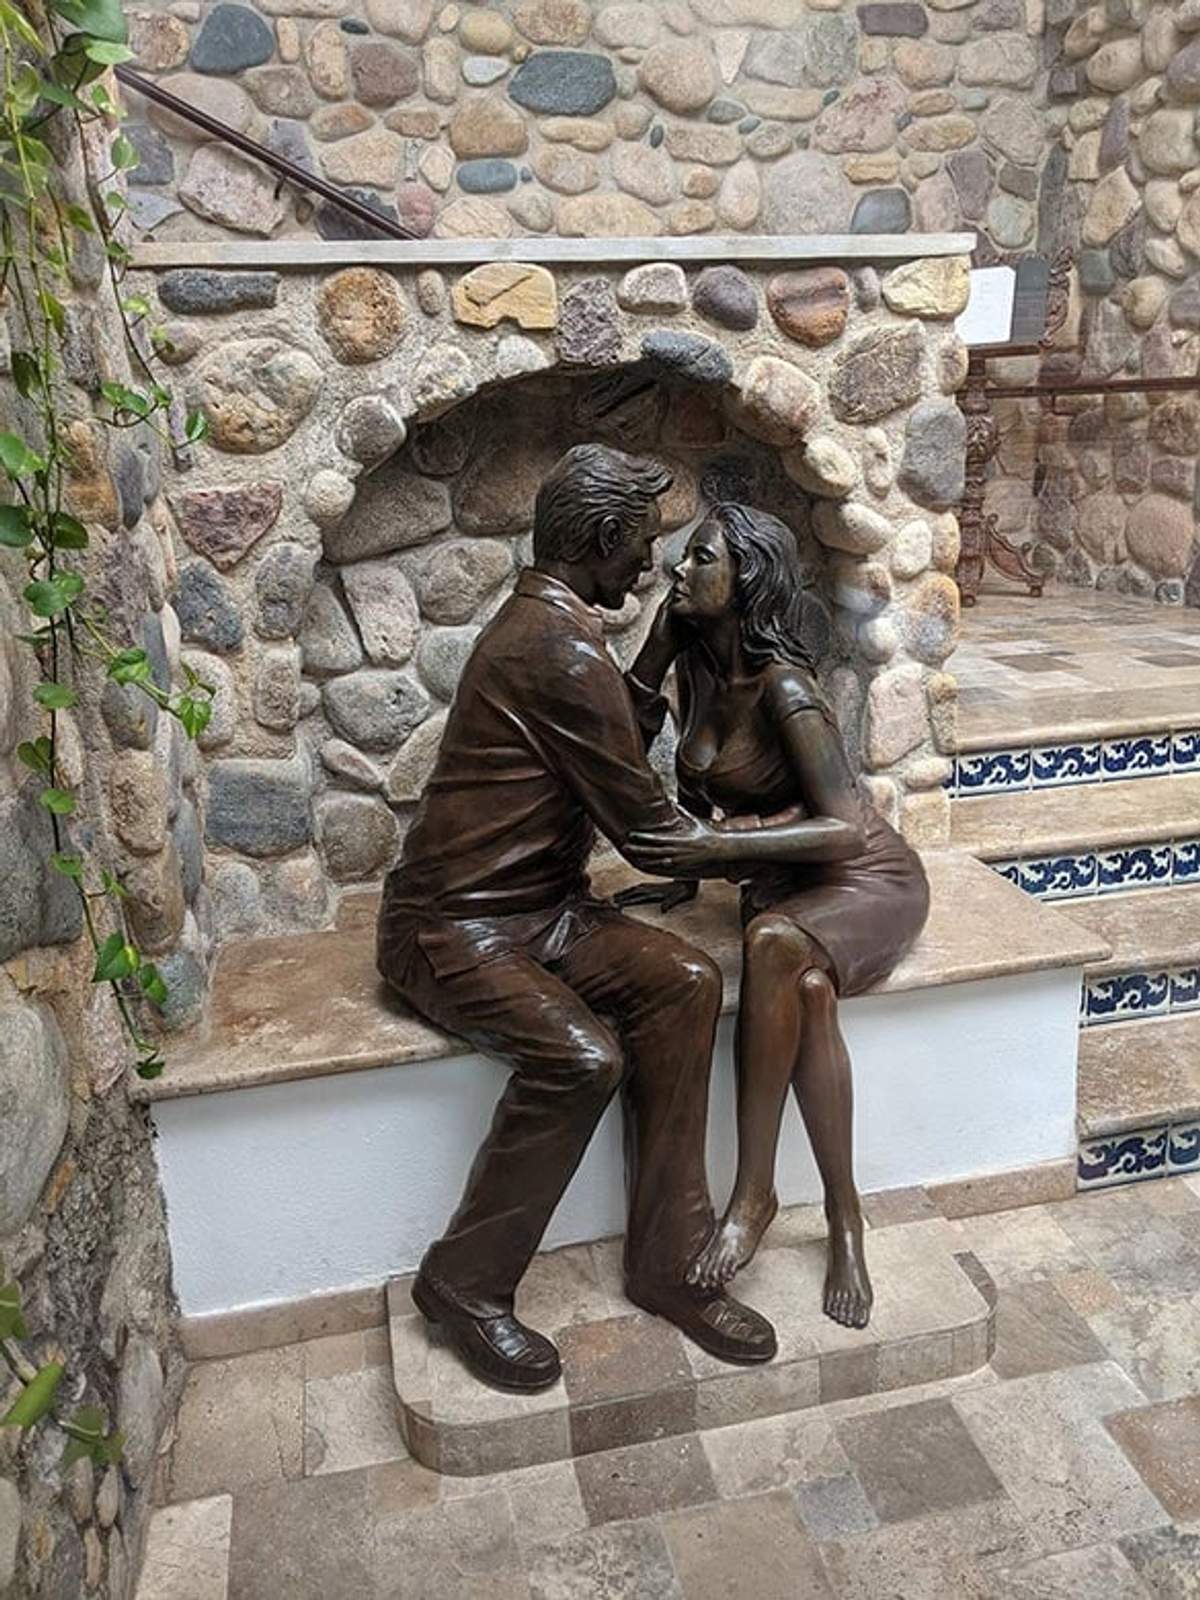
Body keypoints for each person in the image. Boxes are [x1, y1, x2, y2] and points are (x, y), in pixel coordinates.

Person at [376, 445, 777, 1393]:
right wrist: (809, 847)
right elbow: (647, 834)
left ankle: (667, 1267)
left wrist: (665, 647)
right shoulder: (555, 647)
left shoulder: (557, 632)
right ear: (600, 542)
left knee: (684, 983)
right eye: (638, 546)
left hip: (540, 913)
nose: (648, 568)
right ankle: (463, 1284)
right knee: (581, 1057)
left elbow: (611, 735)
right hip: (453, 928)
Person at [619, 503, 930, 1329]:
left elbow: (841, 822)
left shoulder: (787, 688)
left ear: (746, 578)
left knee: (771, 939)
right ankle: (845, 1217)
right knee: (808, 990)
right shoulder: (697, 668)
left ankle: (753, 1195)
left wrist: (714, 857)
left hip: (866, 877)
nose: (677, 572)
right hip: (789, 886)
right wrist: (654, 649)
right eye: (684, 559)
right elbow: (637, 754)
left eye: (700, 560)